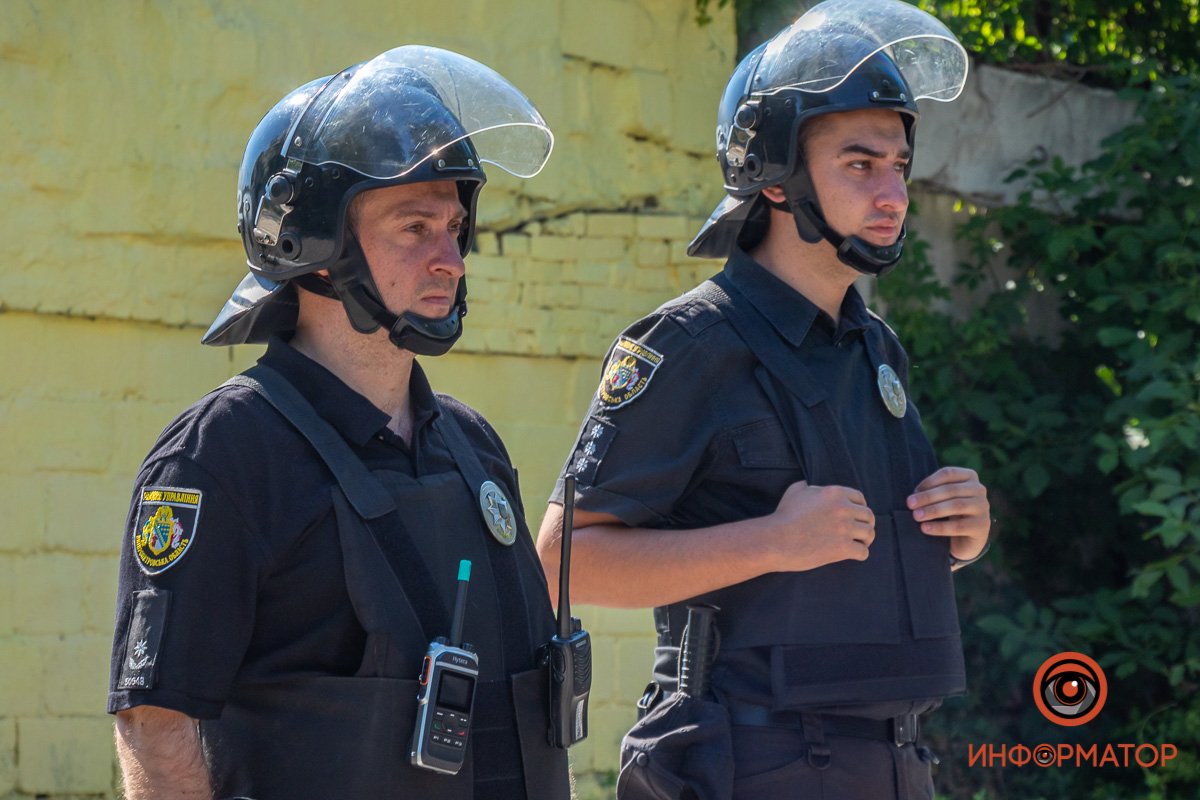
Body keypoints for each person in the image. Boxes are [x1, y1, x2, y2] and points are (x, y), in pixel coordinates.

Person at [536, 1, 991, 797]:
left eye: (899, 167)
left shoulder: (874, 348)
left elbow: (852, 568)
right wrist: (771, 541)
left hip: (894, 762)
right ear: (775, 182)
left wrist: (961, 532)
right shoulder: (690, 344)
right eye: (860, 165)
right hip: (746, 763)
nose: (892, 195)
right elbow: (558, 566)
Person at [108, 45, 570, 799]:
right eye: (414, 227)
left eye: (456, 225)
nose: (451, 257)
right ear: (315, 246)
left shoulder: (473, 446)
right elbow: (155, 721)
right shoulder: (224, 454)